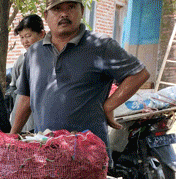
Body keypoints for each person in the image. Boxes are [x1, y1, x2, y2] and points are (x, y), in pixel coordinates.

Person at [10, 0, 150, 148]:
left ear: (82, 11)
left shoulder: (101, 46)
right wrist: (13, 135)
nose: (64, 14)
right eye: (57, 9)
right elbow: (26, 97)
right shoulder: (34, 53)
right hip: (45, 152)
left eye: (71, 7)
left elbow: (139, 74)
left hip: (89, 154)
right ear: (46, 15)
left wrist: (108, 106)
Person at [8, 14, 46, 134]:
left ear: (42, 34)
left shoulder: (49, 60)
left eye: (28, 36)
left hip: (41, 126)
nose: (25, 41)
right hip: (19, 124)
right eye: (22, 37)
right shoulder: (21, 60)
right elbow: (14, 88)